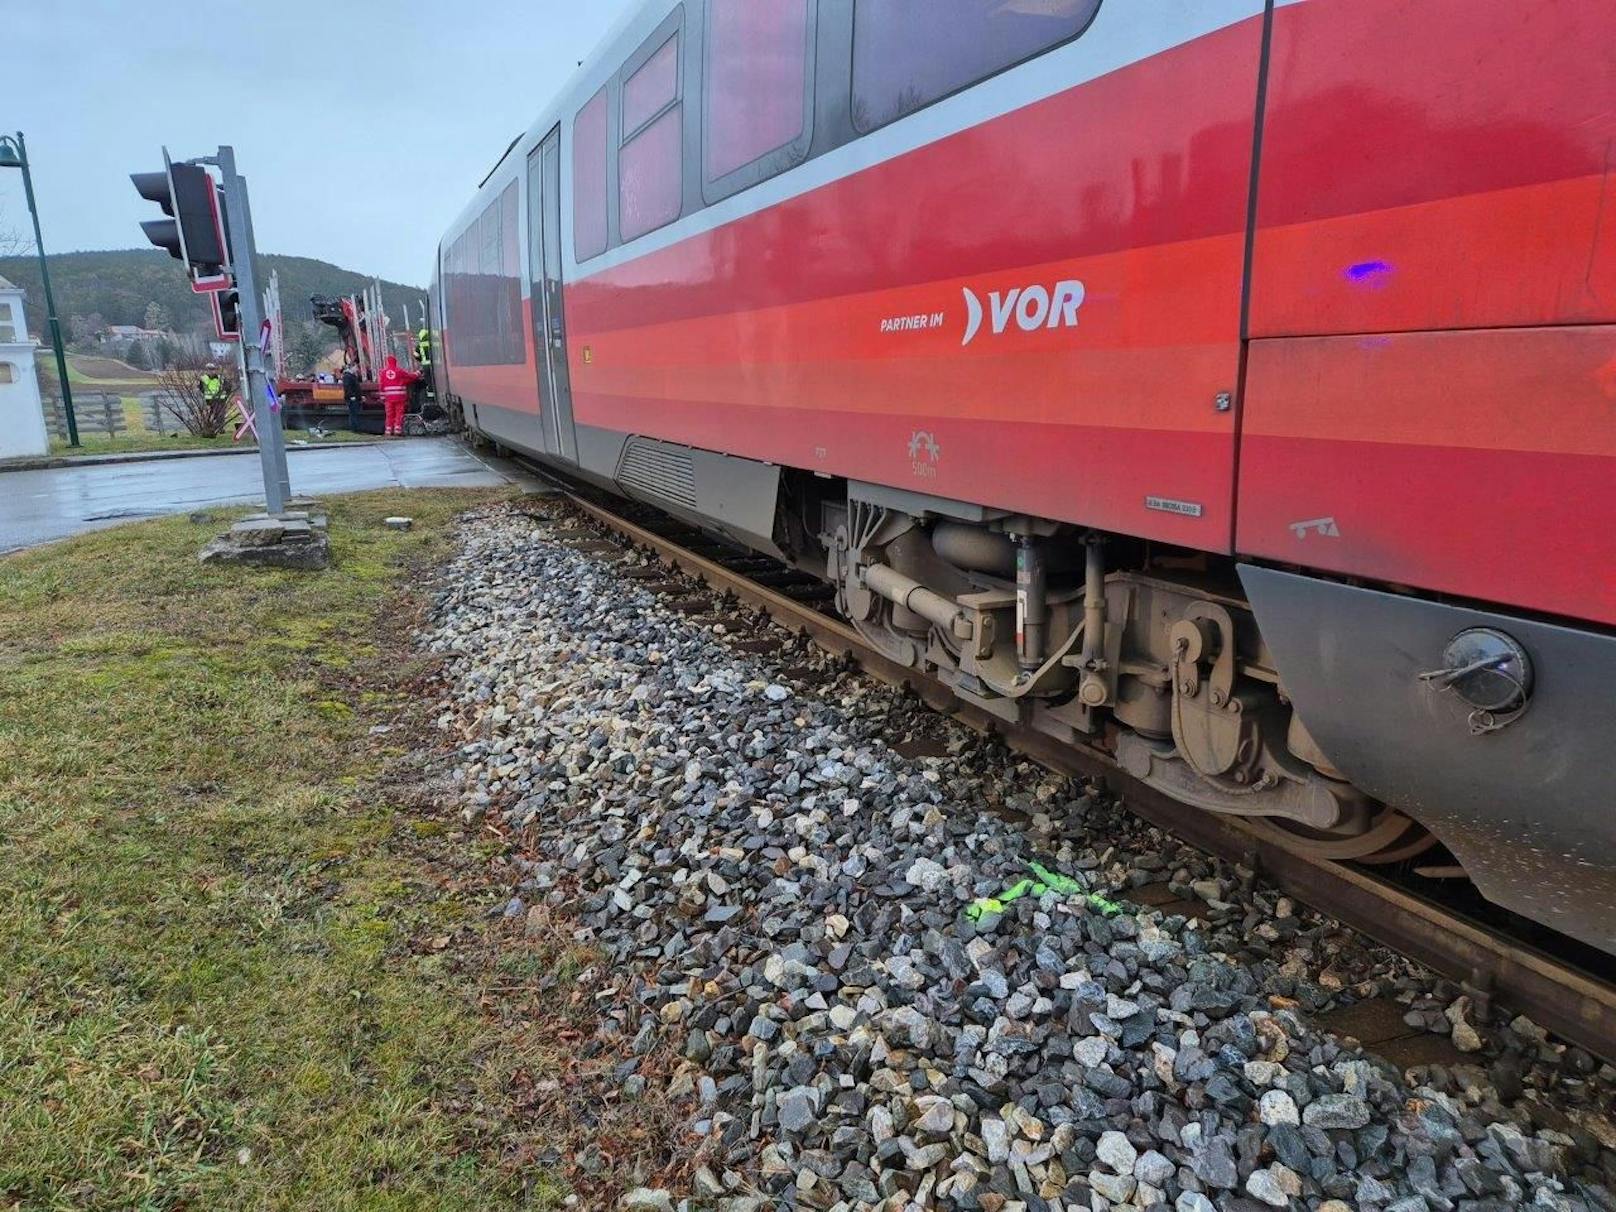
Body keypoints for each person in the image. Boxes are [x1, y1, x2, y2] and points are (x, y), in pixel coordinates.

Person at [378, 353, 419, 437]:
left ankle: (388, 431)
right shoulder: (399, 371)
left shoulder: (383, 372)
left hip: (388, 398)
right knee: (399, 413)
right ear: (395, 362)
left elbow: (381, 385)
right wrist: (417, 374)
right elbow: (409, 376)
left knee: (389, 414)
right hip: (400, 397)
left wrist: (382, 397)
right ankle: (397, 430)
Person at [342, 359, 363, 432]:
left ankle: (356, 428)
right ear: (352, 367)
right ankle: (354, 429)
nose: (357, 369)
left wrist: (360, 396)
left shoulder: (352, 376)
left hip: (355, 398)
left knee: (355, 414)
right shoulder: (348, 376)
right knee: (353, 414)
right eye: (356, 367)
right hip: (352, 399)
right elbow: (347, 387)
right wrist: (352, 396)